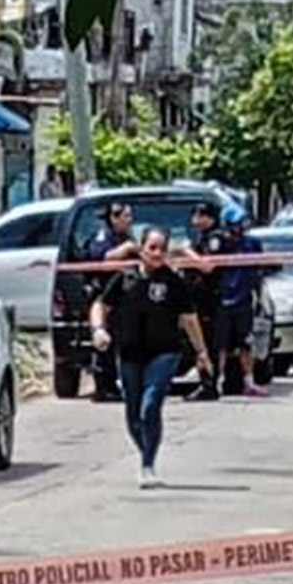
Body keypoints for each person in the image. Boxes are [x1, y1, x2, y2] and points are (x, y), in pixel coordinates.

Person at [90, 227, 215, 487]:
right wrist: (99, 329)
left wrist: (201, 353)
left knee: (150, 405)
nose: (157, 254)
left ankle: (148, 465)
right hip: (129, 353)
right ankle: (146, 451)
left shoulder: (173, 282)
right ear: (141, 248)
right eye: (152, 248)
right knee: (133, 414)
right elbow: (100, 305)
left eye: (162, 248)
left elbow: (189, 319)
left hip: (164, 352)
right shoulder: (125, 278)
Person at [210, 204, 269, 397]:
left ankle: (249, 382)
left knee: (246, 343)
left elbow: (259, 273)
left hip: (244, 301)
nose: (241, 228)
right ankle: (216, 381)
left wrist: (260, 298)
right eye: (237, 224)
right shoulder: (219, 244)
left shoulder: (252, 244)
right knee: (221, 346)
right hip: (222, 301)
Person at [84, 201, 139, 402]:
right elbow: (101, 259)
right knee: (103, 341)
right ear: (114, 218)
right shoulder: (103, 236)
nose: (129, 220)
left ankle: (120, 384)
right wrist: (125, 249)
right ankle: (104, 387)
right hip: (103, 295)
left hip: (123, 298)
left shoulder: (127, 237)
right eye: (126, 216)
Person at [185, 202, 225, 401]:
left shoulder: (215, 238)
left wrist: (186, 253)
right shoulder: (200, 237)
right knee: (198, 340)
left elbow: (208, 266)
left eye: (201, 215)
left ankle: (209, 384)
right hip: (197, 297)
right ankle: (204, 381)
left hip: (210, 298)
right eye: (195, 215)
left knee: (207, 341)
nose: (196, 220)